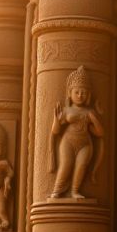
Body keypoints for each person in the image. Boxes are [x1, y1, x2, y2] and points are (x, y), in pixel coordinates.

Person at [49, 66, 104, 199]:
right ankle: (56, 191)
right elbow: (55, 131)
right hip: (68, 142)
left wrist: (94, 119)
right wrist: (56, 120)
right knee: (66, 165)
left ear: (88, 95)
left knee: (81, 166)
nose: (80, 95)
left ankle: (75, 190)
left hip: (85, 144)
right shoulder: (67, 111)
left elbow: (100, 133)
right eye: (77, 92)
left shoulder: (89, 112)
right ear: (70, 93)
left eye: (83, 92)